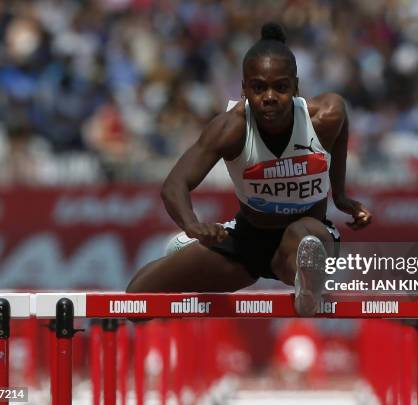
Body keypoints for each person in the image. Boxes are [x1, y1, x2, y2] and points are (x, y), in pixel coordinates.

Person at [126, 22, 371, 316]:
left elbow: (340, 134)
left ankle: (307, 283)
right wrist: (193, 226)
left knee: (303, 236)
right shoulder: (231, 129)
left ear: (296, 87)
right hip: (247, 241)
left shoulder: (326, 116)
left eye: (280, 87)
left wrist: (341, 197)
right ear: (244, 89)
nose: (269, 97)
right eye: (258, 87)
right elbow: (174, 185)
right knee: (136, 298)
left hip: (308, 237)